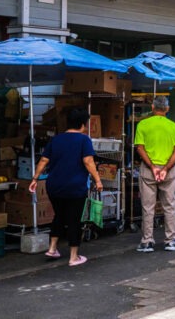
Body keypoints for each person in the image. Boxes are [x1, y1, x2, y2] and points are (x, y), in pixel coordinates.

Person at [30, 108, 102, 267]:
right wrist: (98, 181)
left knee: (59, 215)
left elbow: (43, 161)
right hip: (75, 186)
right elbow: (88, 162)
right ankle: (74, 256)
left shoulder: (56, 139)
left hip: (54, 185)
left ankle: (52, 248)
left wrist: (35, 179)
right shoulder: (84, 140)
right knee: (74, 219)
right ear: (83, 124)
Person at [135, 95, 175, 252]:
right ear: (167, 109)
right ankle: (170, 240)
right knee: (169, 205)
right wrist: (166, 169)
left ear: (152, 108)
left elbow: (139, 148)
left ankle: (147, 241)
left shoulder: (143, 124)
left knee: (147, 206)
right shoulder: (174, 126)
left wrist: (152, 166)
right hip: (168, 171)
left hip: (148, 170)